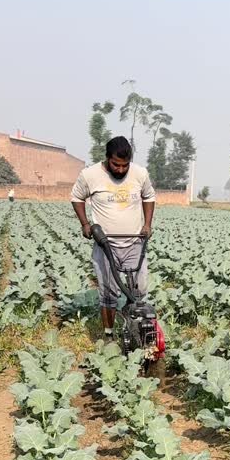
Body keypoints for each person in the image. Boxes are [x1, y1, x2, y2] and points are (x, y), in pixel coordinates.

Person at [71, 136, 155, 334]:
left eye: (125, 165)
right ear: (107, 158)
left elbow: (149, 196)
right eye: (116, 164)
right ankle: (108, 334)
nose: (120, 170)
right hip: (105, 243)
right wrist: (85, 224)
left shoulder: (140, 173)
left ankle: (135, 329)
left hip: (135, 242)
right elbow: (76, 197)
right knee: (108, 292)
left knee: (140, 289)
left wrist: (147, 224)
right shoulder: (90, 175)